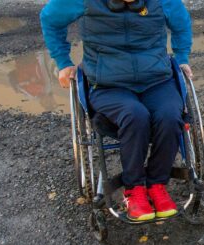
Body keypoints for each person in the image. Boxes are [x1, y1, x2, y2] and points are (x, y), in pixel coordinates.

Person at [40, 0, 193, 221]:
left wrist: (182, 57)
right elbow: (50, 19)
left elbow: (181, 23)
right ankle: (134, 190)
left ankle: (157, 185)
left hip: (157, 80)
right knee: (135, 115)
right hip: (108, 84)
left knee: (170, 115)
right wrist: (63, 62)